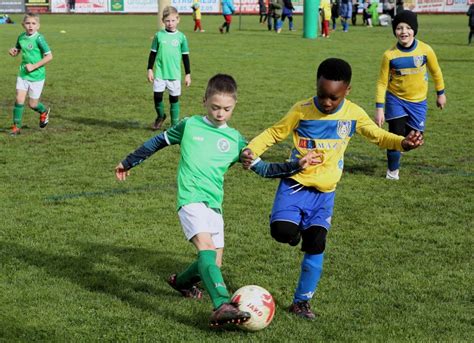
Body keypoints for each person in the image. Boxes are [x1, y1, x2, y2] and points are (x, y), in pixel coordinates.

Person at [115, 74, 321, 326]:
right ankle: (222, 304)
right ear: (204, 102)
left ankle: (180, 282)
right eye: (215, 107)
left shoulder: (236, 140)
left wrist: (295, 166)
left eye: (226, 109)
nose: (220, 113)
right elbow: (157, 142)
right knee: (206, 250)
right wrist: (129, 161)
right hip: (190, 198)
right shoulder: (189, 125)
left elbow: (263, 169)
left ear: (234, 106)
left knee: (214, 263)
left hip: (214, 204)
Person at [240, 58, 424, 319]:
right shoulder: (301, 110)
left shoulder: (353, 114)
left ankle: (301, 302)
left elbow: (378, 136)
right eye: (322, 95)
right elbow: (274, 133)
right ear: (316, 85)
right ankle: (292, 234)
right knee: (282, 232)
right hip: (295, 185)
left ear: (347, 91)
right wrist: (252, 149)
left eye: (334, 98)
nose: (327, 102)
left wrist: (403, 143)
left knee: (316, 243)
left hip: (324, 194)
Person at [375, 10, 446, 180]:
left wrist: (440, 93)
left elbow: (436, 72)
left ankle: (401, 146)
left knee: (415, 138)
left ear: (414, 30)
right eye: (399, 28)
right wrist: (379, 108)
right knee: (395, 134)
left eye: (408, 28)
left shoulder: (425, 50)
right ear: (395, 31)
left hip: (418, 102)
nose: (403, 32)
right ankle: (392, 173)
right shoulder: (389, 55)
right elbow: (382, 82)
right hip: (395, 99)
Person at [8, 12, 52, 136]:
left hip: (37, 76)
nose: (30, 26)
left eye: (33, 23)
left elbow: (49, 56)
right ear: (23, 25)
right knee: (19, 99)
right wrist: (14, 51)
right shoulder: (21, 37)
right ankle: (16, 128)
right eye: (28, 23)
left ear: (38, 26)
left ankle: (43, 111)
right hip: (23, 74)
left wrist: (34, 66)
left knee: (33, 104)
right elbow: (18, 49)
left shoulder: (39, 39)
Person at [148, 6, 191, 131]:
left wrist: (188, 74)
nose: (170, 23)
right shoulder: (159, 36)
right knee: (157, 97)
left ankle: (174, 125)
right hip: (160, 73)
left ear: (178, 20)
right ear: (163, 21)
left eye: (173, 20)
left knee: (174, 100)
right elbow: (153, 53)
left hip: (174, 74)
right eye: (167, 21)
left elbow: (185, 56)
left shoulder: (181, 37)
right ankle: (160, 116)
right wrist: (149, 69)